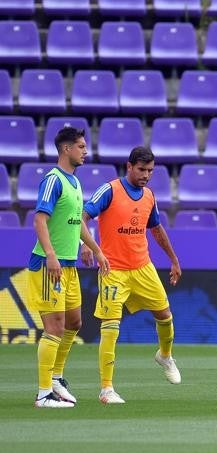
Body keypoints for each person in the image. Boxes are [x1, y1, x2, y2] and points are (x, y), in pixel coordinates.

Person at [81, 146, 182, 405]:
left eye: (150, 170)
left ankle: (165, 356)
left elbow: (156, 229)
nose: (146, 175)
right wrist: (87, 245)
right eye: (141, 169)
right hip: (113, 270)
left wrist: (172, 258)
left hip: (143, 267)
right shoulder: (110, 190)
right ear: (129, 166)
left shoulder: (149, 196)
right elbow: (81, 216)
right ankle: (106, 389)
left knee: (165, 315)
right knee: (110, 328)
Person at [28, 126, 109, 408]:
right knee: (54, 327)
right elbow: (39, 220)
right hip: (50, 265)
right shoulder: (53, 180)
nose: (86, 152)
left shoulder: (75, 182)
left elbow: (78, 223)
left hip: (69, 265)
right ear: (66, 149)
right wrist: (50, 254)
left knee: (74, 322)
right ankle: (43, 394)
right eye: (82, 147)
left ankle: (57, 378)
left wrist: (96, 250)